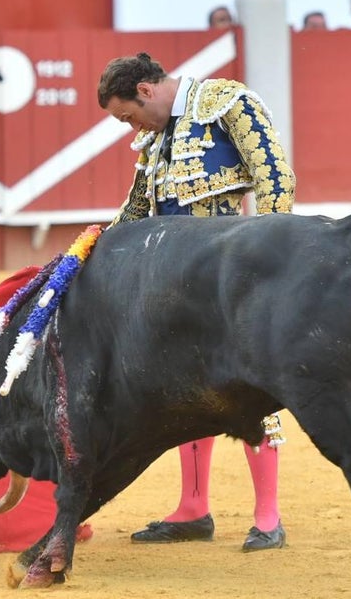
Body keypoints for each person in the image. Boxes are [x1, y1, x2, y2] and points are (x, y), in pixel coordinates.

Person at [97, 52, 295, 551]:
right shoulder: (155, 137)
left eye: (127, 115)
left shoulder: (227, 102)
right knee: (185, 390)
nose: (130, 127)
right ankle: (194, 508)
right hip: (172, 288)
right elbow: (138, 208)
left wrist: (270, 267)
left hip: (232, 279)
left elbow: (275, 176)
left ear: (144, 91)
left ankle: (268, 515)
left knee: (252, 386)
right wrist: (89, 254)